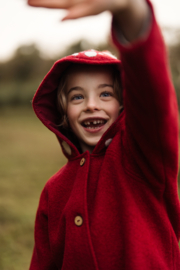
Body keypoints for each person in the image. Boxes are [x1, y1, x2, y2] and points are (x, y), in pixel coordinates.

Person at [28, 0, 180, 269]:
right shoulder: (53, 190)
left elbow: (150, 90)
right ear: (62, 109)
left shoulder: (141, 157)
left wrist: (131, 10)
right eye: (77, 97)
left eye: (106, 93)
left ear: (124, 103)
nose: (91, 105)